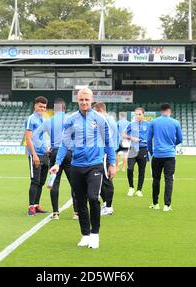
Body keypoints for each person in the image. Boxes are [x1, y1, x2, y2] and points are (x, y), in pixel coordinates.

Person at [50, 88, 116, 249]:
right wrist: (57, 163)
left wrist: (112, 163)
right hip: (76, 166)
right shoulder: (71, 119)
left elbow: (108, 142)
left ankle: (95, 235)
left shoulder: (100, 119)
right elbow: (65, 143)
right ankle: (85, 235)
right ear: (77, 100)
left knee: (93, 198)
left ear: (91, 100)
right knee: (80, 202)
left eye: (87, 99)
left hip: (95, 165)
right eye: (81, 100)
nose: (84, 102)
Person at [35, 98, 78, 220]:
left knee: (55, 183)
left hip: (54, 152)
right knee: (74, 184)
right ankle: (76, 213)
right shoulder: (71, 120)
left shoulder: (49, 121)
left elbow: (35, 135)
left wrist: (44, 149)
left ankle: (55, 213)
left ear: (54, 109)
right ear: (64, 108)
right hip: (69, 153)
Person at [147, 103, 182, 211]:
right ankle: (167, 205)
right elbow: (180, 139)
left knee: (156, 179)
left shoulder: (153, 122)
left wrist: (151, 151)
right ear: (170, 111)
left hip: (157, 154)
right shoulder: (175, 122)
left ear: (161, 111)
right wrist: (171, 145)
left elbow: (149, 139)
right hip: (170, 155)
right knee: (169, 179)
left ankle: (155, 203)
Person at [24, 96, 49, 216]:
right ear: (35, 106)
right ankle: (30, 208)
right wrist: (34, 155)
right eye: (40, 106)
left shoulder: (43, 119)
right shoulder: (31, 119)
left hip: (44, 154)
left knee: (41, 182)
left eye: (44, 107)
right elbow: (28, 138)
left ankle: (36, 205)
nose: (42, 109)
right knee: (35, 181)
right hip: (36, 155)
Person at [93, 102, 118, 216]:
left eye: (95, 111)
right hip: (108, 152)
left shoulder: (106, 120)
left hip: (105, 154)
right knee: (103, 180)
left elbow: (107, 139)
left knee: (107, 181)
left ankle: (108, 207)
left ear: (100, 110)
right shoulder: (111, 120)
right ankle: (107, 204)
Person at [122, 107, 150, 197]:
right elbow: (123, 134)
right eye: (136, 114)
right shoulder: (131, 124)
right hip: (133, 149)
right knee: (130, 169)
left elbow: (152, 136)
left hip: (143, 149)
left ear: (143, 114)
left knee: (141, 171)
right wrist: (131, 138)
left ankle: (139, 190)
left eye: (139, 114)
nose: (137, 116)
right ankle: (131, 187)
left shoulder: (148, 125)